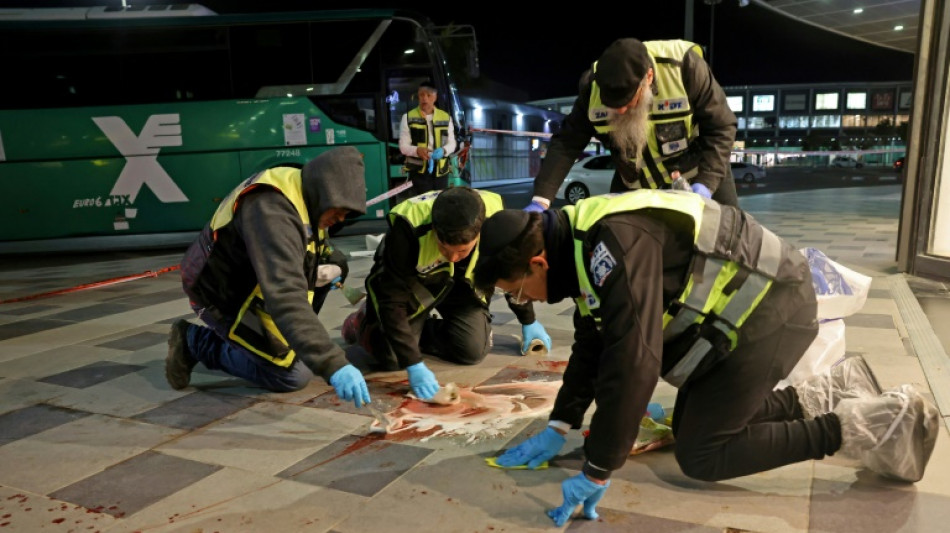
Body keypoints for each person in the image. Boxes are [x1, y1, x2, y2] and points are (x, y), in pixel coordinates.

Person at [473, 191, 938, 526]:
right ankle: (820, 394)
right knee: (690, 425)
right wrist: (561, 423)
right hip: (746, 316)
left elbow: (633, 359)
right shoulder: (579, 239)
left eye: (516, 292)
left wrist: (598, 468)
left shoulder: (611, 245)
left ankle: (860, 426)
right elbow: (593, 339)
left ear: (539, 264)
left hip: (773, 312)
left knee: (703, 453)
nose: (524, 300)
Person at [166, 147, 373, 409]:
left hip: (254, 288)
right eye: (340, 210)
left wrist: (335, 266)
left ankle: (276, 343)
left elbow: (320, 249)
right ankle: (195, 342)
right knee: (291, 375)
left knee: (299, 348)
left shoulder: (307, 194)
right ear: (326, 191)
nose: (341, 219)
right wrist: (334, 364)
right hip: (220, 294)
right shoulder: (272, 209)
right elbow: (285, 297)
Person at [342, 186, 552, 401]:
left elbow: (509, 270)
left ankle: (415, 332)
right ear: (434, 229)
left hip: (462, 287)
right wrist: (413, 364)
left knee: (471, 351)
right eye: (444, 248)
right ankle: (364, 322)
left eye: (462, 251)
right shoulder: (406, 230)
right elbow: (391, 300)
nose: (452, 258)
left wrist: (528, 319)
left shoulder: (495, 222)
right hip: (418, 284)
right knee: (392, 358)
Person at [527, 38, 739, 212]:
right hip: (634, 182)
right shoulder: (590, 88)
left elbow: (722, 127)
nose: (620, 111)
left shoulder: (684, 68)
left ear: (648, 77)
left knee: (731, 237)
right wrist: (541, 199)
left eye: (628, 101)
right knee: (621, 245)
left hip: (696, 174)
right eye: (611, 104)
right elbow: (567, 142)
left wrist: (706, 184)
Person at [399, 81, 457, 197]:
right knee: (422, 205)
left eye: (428, 95)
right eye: (421, 95)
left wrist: (444, 151)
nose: (424, 98)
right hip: (419, 172)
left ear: (435, 97)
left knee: (440, 203)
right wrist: (417, 150)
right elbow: (403, 146)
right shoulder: (408, 117)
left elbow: (452, 143)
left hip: (441, 171)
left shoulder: (445, 117)